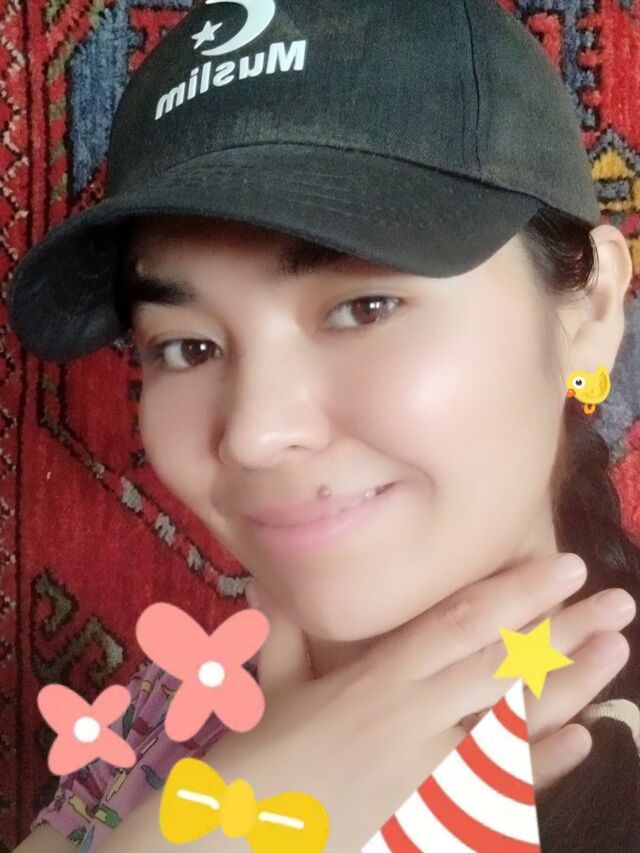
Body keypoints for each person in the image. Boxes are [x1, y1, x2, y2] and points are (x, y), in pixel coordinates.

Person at [8, 0, 640, 850]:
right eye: (187, 347)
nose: (253, 433)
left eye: (364, 307)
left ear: (590, 308)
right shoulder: (164, 712)